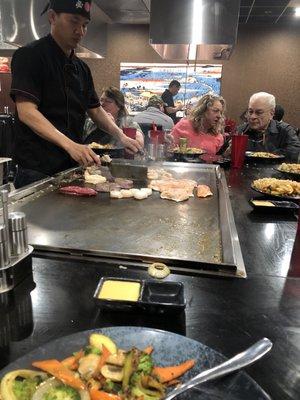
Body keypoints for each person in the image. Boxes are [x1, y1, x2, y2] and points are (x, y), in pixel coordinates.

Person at [10, 0, 142, 188]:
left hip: (70, 167)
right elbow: (26, 112)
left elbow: (95, 111)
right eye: (74, 21)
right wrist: (70, 145)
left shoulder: (82, 68)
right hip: (36, 169)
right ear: (52, 17)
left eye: (85, 25)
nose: (80, 31)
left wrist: (121, 136)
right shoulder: (29, 56)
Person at [238, 92, 300, 161]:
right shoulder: (240, 130)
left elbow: (292, 156)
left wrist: (265, 157)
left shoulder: (285, 132)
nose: (252, 117)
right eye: (250, 111)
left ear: (271, 113)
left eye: (259, 113)